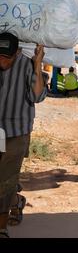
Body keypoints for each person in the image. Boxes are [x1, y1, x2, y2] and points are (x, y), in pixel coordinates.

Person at [0, 32, 47, 238]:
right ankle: (16, 201)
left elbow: (37, 96)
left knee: (6, 180)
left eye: (7, 57)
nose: (3, 61)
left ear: (17, 52)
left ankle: (1, 228)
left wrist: (37, 64)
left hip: (17, 131)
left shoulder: (27, 65)